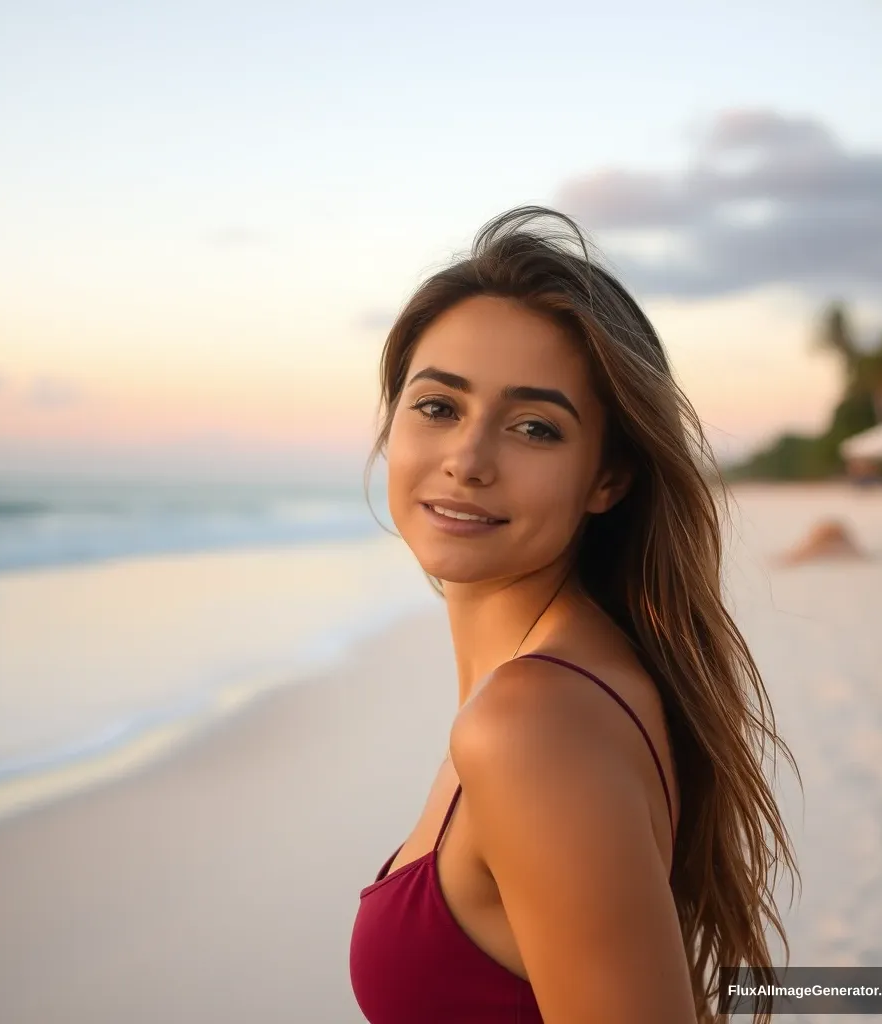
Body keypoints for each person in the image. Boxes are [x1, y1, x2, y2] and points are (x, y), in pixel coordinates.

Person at [349, 206, 799, 1023]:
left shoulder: (532, 725)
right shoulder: (562, 687)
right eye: (439, 406)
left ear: (608, 480)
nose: (468, 460)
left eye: (533, 427)